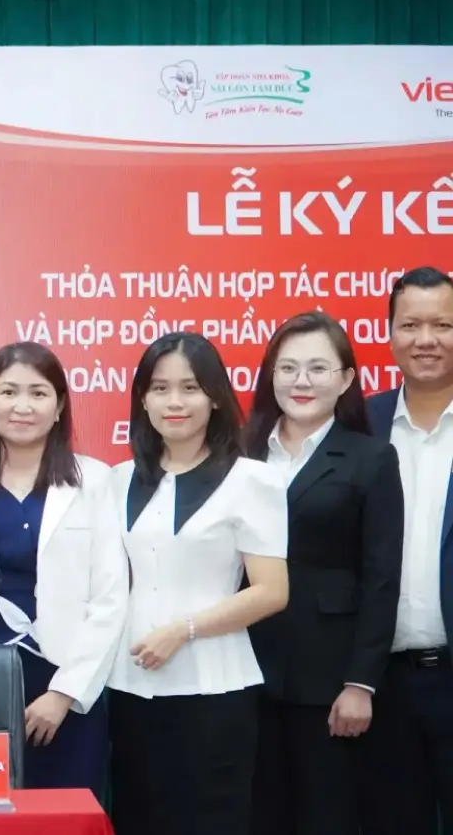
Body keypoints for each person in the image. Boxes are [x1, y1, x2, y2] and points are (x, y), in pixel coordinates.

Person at [104, 332, 289, 835]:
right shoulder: (117, 480)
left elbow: (272, 591)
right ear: (143, 399)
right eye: (160, 388)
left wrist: (182, 629)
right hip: (130, 686)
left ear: (215, 397)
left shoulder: (253, 480)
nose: (175, 402)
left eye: (190, 388)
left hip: (215, 687)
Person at [242, 311, 403, 835]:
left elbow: (382, 578)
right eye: (287, 368)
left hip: (329, 682)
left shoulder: (372, 458)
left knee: (325, 817)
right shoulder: (241, 455)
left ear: (347, 378)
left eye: (317, 367)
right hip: (245, 672)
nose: (301, 381)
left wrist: (360, 683)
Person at [0, 342, 125, 794]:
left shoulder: (94, 480)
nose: (23, 406)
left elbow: (111, 597)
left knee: (64, 813)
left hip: (63, 681)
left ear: (59, 407)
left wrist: (64, 693)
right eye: (8, 392)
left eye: (38, 393)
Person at [359, 266, 453, 835]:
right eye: (411, 325)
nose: (426, 339)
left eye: (443, 325)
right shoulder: (359, 424)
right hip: (382, 685)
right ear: (390, 333)